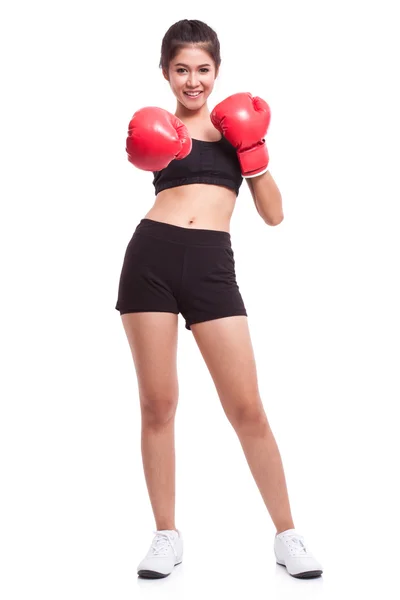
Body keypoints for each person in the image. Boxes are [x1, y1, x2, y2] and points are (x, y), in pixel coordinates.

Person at [115, 19, 323, 580]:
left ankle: (288, 534)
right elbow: (148, 160)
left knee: (247, 408)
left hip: (211, 268)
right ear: (165, 73)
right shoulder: (157, 128)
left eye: (202, 69)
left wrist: (253, 151)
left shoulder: (236, 130)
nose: (192, 80)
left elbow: (275, 214)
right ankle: (165, 536)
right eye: (181, 69)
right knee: (158, 406)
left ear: (217, 71)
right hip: (151, 260)